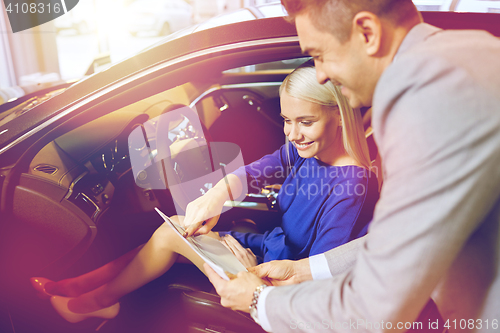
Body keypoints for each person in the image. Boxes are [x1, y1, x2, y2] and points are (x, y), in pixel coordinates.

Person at [202, 1, 500, 332]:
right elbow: (399, 239)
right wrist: (304, 271)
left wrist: (260, 301)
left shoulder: (423, 100)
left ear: (367, 33)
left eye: (319, 55)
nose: (321, 74)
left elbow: (376, 309)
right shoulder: (476, 50)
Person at [30, 63, 379, 323]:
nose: (292, 133)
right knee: (174, 232)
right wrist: (217, 194)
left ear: (338, 117)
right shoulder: (309, 151)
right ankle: (77, 288)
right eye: (287, 120)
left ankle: (85, 304)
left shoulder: (350, 186)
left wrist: (251, 267)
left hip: (274, 272)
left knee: (171, 234)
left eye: (305, 122)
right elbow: (260, 170)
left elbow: (316, 275)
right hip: (268, 246)